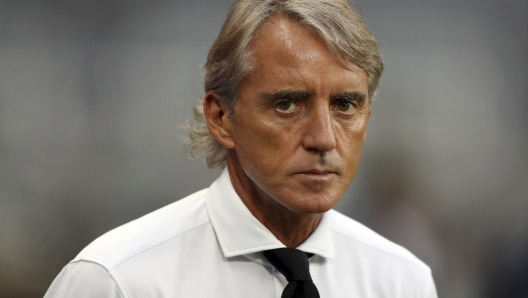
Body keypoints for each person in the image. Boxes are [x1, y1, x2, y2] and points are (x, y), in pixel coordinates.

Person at [45, 0, 438, 297]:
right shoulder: (117, 280)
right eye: (287, 104)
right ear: (221, 117)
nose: (324, 138)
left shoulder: (402, 281)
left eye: (345, 105)